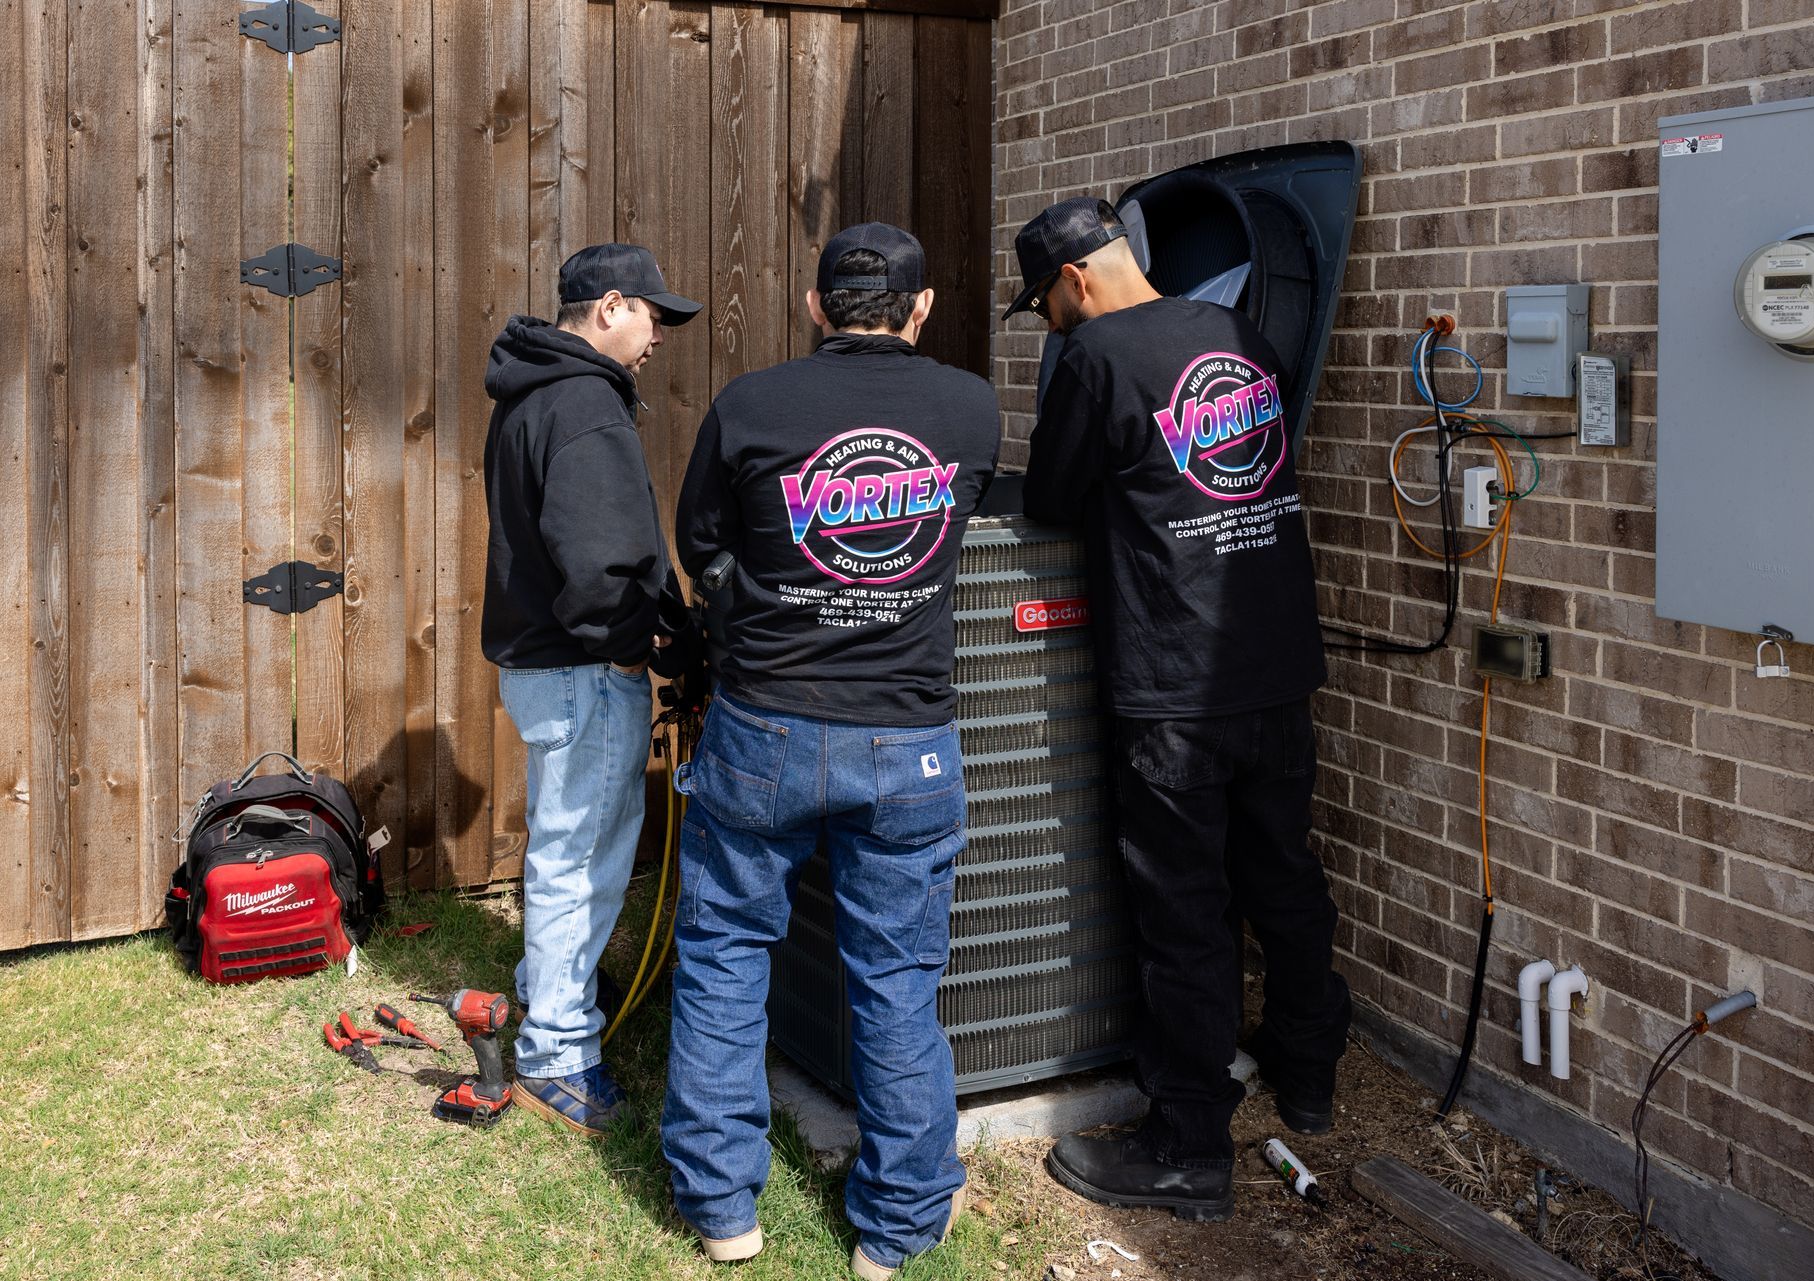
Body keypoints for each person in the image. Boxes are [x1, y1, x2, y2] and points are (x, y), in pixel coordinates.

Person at [661, 223, 999, 1278]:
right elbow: (957, 531)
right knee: (896, 979)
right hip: (908, 742)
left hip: (765, 727)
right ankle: (896, 1233)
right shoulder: (970, 409)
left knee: (724, 956)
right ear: (923, 308)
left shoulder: (751, 406)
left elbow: (702, 544)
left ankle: (723, 1213)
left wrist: (757, 608)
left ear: (814, 309)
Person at [1004, 197, 1351, 1222]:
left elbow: (1049, 501)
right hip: (1277, 657)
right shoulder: (1234, 331)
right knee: (1283, 869)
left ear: (1072, 282)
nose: (1052, 326)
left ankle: (1187, 1142)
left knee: (1185, 910)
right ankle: (1309, 1070)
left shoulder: (1097, 358)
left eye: (1045, 308)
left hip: (1174, 677)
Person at [481, 242, 702, 1136]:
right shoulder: (584, 403)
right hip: (581, 670)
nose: (657, 339)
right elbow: (603, 561)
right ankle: (558, 1056)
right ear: (611, 307)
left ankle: (548, 987)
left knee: (564, 843)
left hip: (545, 666)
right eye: (653, 316)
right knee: (579, 858)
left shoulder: (533, 391)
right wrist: (623, 651)